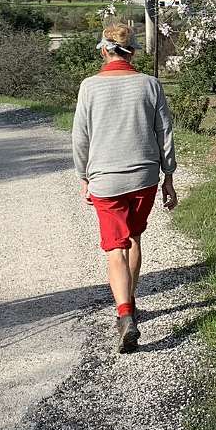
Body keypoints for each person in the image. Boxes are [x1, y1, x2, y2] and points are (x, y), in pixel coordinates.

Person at [70, 22, 178, 353]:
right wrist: (169, 177)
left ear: (104, 50)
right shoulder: (150, 84)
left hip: (106, 179)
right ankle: (130, 301)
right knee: (133, 239)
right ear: (132, 52)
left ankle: (125, 313)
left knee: (114, 247)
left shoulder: (89, 87)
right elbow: (164, 132)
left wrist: (84, 176)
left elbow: (80, 137)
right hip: (144, 177)